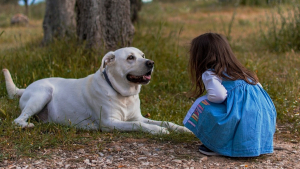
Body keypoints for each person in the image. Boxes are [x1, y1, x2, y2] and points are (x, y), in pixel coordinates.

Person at [183, 33, 276, 157]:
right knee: (242, 111)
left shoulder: (210, 73)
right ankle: (255, 144)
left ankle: (217, 144)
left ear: (201, 57)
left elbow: (219, 96)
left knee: (202, 104)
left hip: (241, 117)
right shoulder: (243, 72)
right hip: (263, 117)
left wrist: (208, 99)